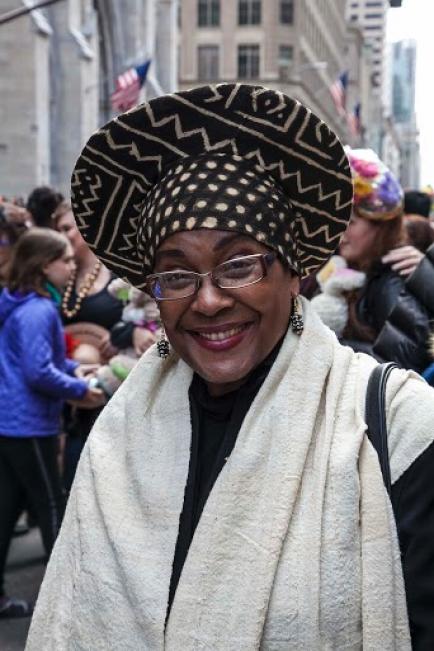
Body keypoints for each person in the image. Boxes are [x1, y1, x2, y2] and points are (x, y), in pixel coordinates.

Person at [26, 84, 434, 650]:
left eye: (238, 263)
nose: (209, 300)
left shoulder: (398, 425)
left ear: (293, 273)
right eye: (177, 274)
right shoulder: (117, 436)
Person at [0, 228, 103, 619]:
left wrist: (77, 367)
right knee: (51, 506)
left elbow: (42, 360)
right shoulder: (40, 309)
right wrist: (79, 389)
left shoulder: (19, 302)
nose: (73, 266)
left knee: (7, 509)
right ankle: (69, 604)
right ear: (46, 266)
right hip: (29, 424)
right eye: (67, 261)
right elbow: (38, 371)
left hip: (9, 423)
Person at [52, 202, 156, 489]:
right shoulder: (59, 274)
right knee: (73, 474)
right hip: (73, 388)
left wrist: (131, 333)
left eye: (66, 229)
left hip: (118, 388)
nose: (62, 236)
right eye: (57, 230)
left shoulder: (117, 273)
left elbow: (146, 315)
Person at [339, 148, 432, 372]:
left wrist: (329, 349)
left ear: (381, 227)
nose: (340, 234)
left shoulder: (391, 280)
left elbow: (402, 366)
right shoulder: (364, 272)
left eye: (350, 223)